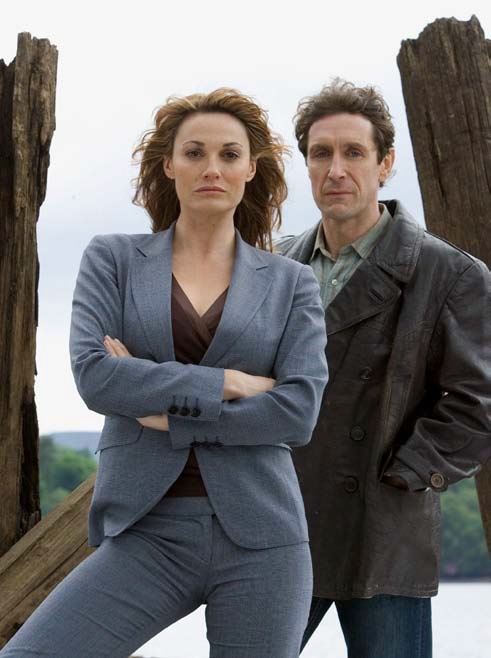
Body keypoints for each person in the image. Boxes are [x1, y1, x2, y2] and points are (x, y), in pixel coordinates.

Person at [0, 89, 328, 658]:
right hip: (145, 529)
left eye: (229, 155)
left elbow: (297, 414)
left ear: (251, 169)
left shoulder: (291, 282)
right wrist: (227, 383)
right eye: (194, 152)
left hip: (264, 538)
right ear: (170, 164)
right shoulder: (113, 259)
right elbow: (96, 377)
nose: (211, 168)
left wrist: (170, 414)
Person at [275, 78, 491, 658]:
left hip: (383, 527)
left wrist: (404, 475)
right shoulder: (275, 263)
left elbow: (479, 403)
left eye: (353, 152)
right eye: (321, 154)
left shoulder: (451, 274)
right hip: (278, 519)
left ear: (385, 163)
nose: (336, 170)